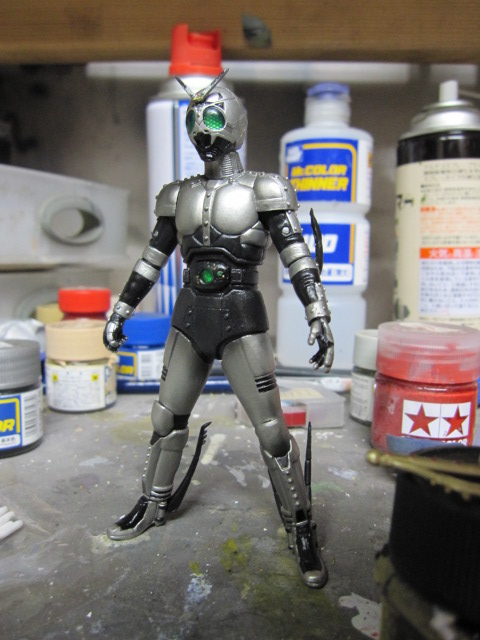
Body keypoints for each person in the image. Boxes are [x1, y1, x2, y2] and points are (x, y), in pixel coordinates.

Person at [103, 70, 334, 588]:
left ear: (233, 120)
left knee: (271, 431)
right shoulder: (178, 195)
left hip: (241, 317)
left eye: (211, 115)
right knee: (166, 418)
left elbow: (297, 256)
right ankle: (152, 502)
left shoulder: (265, 189)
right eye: (194, 117)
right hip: (190, 316)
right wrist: (121, 309)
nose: (202, 128)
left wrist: (317, 311)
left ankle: (300, 526)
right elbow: (151, 259)